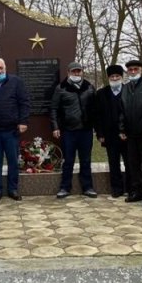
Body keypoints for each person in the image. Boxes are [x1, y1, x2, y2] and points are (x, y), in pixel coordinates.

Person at [0, 58, 30, 201]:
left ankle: (13, 189)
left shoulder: (16, 82)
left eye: (1, 67)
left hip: (11, 130)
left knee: (13, 161)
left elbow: (24, 102)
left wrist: (23, 121)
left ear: (5, 67)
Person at [52, 62, 97, 199]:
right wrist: (55, 127)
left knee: (86, 160)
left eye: (79, 71)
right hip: (68, 130)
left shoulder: (89, 87)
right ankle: (65, 187)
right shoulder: (61, 88)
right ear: (68, 73)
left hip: (86, 130)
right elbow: (54, 109)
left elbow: (96, 107)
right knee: (68, 160)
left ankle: (88, 187)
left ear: (82, 72)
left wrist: (96, 126)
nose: (76, 74)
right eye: (74, 71)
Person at [120, 59, 142, 206]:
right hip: (130, 132)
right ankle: (136, 191)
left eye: (136, 69)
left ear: (141, 70)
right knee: (132, 163)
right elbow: (121, 110)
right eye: (130, 70)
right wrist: (121, 128)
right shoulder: (125, 87)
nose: (133, 72)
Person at [94, 64, 128, 198]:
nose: (114, 78)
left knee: (129, 162)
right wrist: (100, 134)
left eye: (117, 76)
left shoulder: (128, 90)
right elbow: (97, 115)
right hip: (109, 135)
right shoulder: (101, 93)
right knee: (113, 163)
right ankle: (116, 188)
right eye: (112, 76)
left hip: (126, 134)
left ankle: (130, 187)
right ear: (108, 78)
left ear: (121, 77)